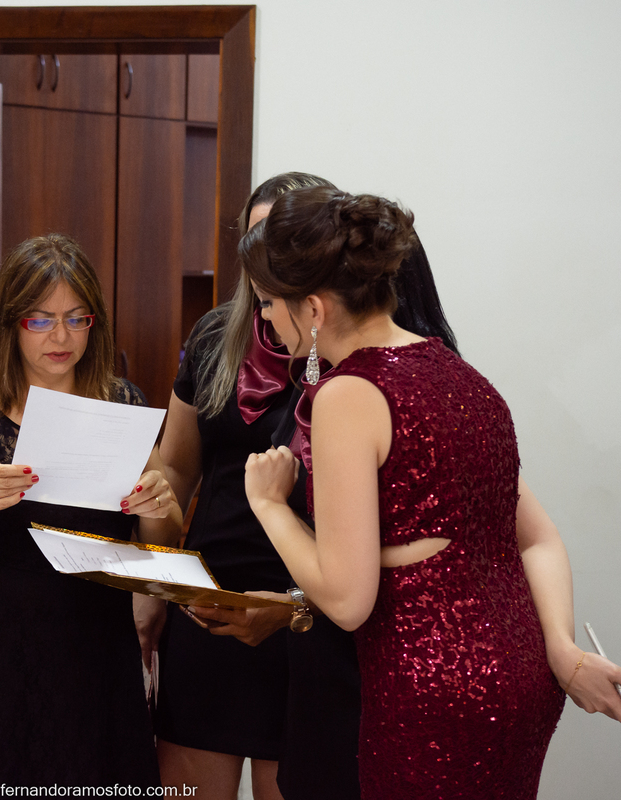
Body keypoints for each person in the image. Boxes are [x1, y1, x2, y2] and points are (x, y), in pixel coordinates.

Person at [240, 186, 621, 800]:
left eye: (270, 303)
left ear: (315, 309)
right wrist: (561, 647)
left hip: (437, 690)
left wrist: (271, 507)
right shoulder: (461, 377)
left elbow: (348, 601)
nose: (265, 319)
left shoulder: (348, 395)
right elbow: (539, 538)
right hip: (520, 678)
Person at [143, 173, 459, 800]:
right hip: (212, 603)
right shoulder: (215, 337)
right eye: (258, 243)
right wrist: (155, 565)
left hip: (314, 610)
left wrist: (290, 608)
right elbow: (176, 465)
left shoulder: (362, 365)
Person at [0, 233, 182, 796]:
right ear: (11, 323)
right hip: (1, 652)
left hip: (98, 647)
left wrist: (160, 508)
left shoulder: (121, 406)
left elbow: (161, 550)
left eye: (77, 319)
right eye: (41, 320)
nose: (61, 337)